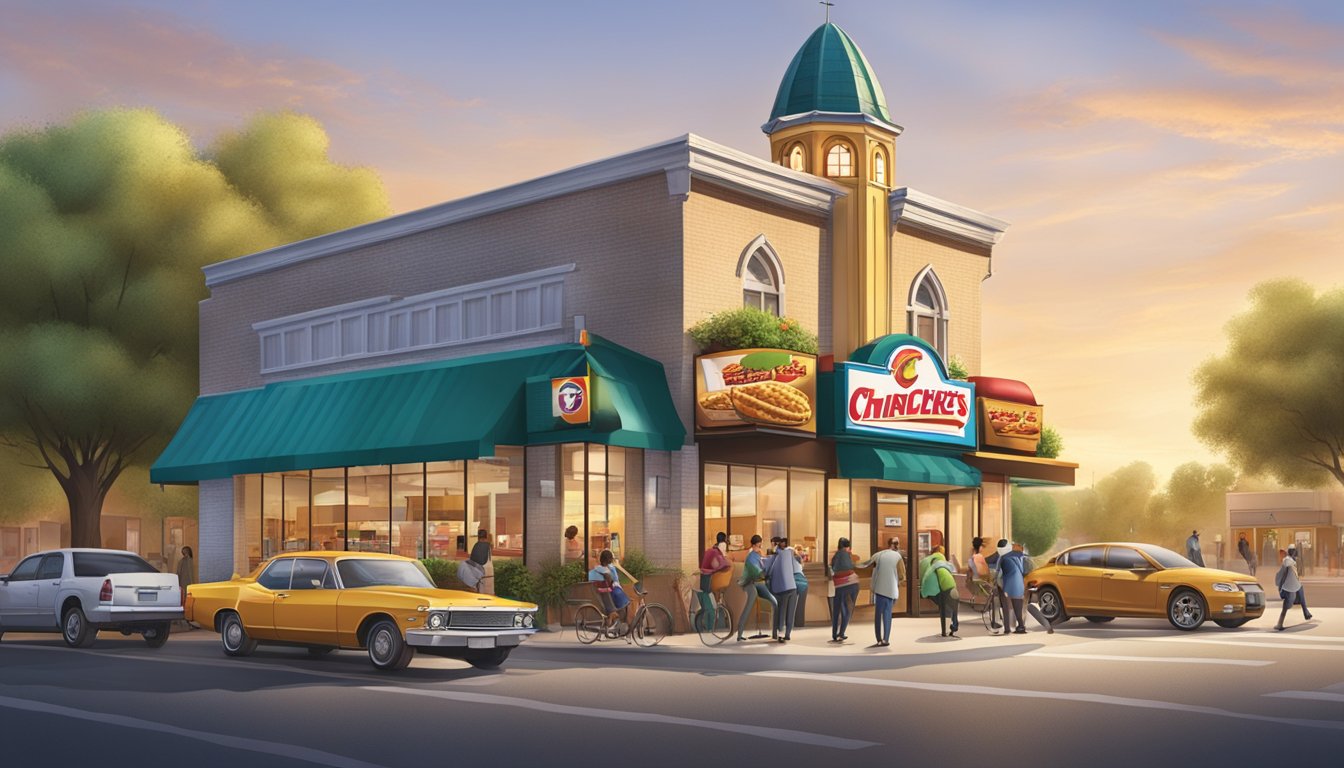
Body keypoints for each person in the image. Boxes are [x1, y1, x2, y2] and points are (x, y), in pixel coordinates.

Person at [859, 537, 904, 647]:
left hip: (879, 589)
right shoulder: (898, 557)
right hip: (890, 589)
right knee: (887, 614)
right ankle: (885, 639)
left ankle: (879, 639)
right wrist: (898, 582)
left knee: (878, 614)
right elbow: (902, 575)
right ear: (894, 545)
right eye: (897, 543)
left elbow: (867, 567)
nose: (898, 545)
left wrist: (872, 586)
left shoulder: (878, 555)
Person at [737, 535, 777, 641]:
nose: (761, 545)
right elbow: (757, 572)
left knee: (774, 602)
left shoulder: (758, 555)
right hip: (749, 583)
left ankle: (775, 633)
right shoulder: (750, 557)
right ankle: (739, 633)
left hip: (759, 583)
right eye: (760, 543)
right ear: (757, 543)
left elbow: (763, 568)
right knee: (749, 604)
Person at [763, 536, 798, 643]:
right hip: (792, 586)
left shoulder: (773, 556)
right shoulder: (789, 553)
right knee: (790, 612)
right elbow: (796, 568)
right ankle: (787, 634)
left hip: (780, 588)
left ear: (774, 544)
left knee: (780, 612)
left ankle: (778, 634)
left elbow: (766, 570)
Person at [920, 545, 960, 637]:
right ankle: (952, 627)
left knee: (945, 608)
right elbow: (946, 575)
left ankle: (946, 629)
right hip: (949, 588)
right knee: (951, 608)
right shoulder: (940, 563)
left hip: (939, 589)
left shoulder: (930, 563)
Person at [994, 540, 1030, 634]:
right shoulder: (1019, 556)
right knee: (1018, 607)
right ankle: (1021, 627)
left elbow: (998, 574)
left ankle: (1007, 629)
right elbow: (1024, 569)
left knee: (1005, 607)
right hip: (1019, 585)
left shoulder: (1002, 558)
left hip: (1008, 586)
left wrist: (997, 584)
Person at [1274, 547, 1312, 631]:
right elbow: (1286, 563)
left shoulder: (1292, 560)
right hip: (1289, 588)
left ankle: (1305, 612)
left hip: (1293, 586)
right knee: (1286, 606)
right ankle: (1280, 624)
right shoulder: (1288, 560)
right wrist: (1289, 557)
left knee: (1300, 591)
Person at [830, 538, 860, 642]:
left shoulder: (835, 556)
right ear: (847, 547)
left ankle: (834, 633)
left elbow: (833, 568)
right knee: (848, 609)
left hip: (838, 585)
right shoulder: (847, 554)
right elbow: (850, 566)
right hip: (851, 583)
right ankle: (841, 632)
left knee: (837, 609)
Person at [698, 532, 732, 618]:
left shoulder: (713, 548)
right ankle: (714, 616)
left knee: (706, 594)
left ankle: (709, 616)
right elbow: (723, 559)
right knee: (712, 594)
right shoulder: (722, 545)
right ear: (724, 538)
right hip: (712, 576)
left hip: (704, 573)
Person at [470, 528, 494, 595]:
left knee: (479, 591)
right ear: (486, 537)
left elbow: (472, 559)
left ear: (478, 537)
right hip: (487, 572)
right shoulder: (488, 545)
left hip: (477, 571)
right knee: (488, 592)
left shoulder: (476, 545)